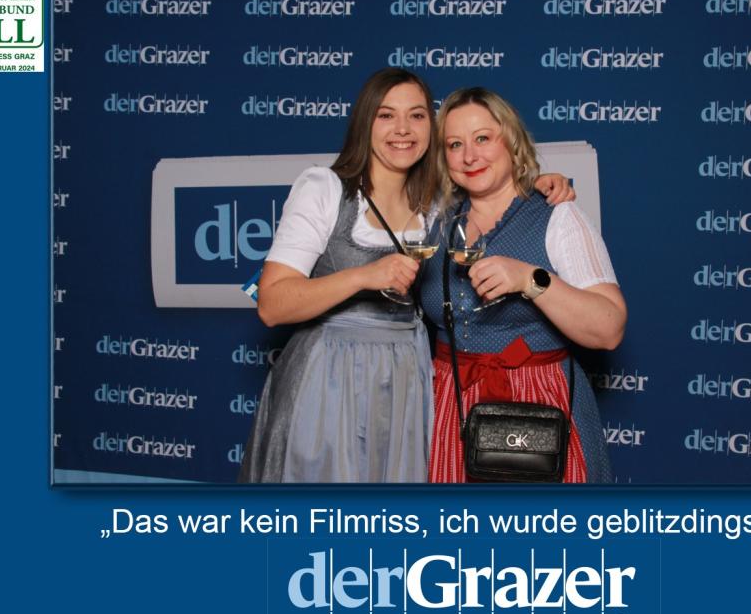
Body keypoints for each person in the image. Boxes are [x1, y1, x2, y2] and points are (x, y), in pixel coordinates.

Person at [238, 69, 575, 483]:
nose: (402, 129)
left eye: (416, 116)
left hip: (406, 376)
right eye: (386, 115)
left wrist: (538, 183)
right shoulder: (325, 189)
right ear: (365, 122)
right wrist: (363, 276)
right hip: (330, 378)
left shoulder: (436, 203)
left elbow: (492, 184)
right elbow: (272, 304)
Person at [420, 87, 627, 483]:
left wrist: (530, 280)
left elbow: (609, 328)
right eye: (455, 144)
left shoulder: (557, 216)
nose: (469, 156)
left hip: (539, 403)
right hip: (450, 402)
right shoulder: (435, 219)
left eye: (483, 138)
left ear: (511, 142)